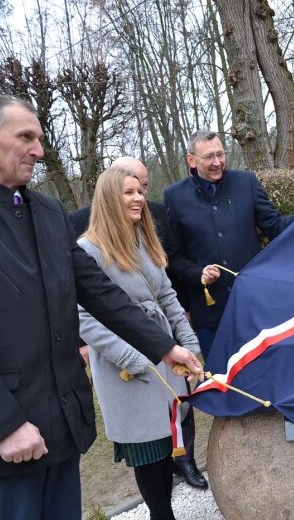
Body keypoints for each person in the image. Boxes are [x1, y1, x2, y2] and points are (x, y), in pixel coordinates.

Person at [0, 94, 202, 518]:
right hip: (4, 441)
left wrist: (166, 347)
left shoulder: (48, 213)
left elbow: (100, 294)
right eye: (26, 137)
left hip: (63, 424)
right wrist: (3, 423)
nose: (39, 150)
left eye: (41, 137)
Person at [70, 157, 207, 489]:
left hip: (164, 354)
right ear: (108, 199)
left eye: (139, 191)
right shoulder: (87, 250)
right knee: (147, 451)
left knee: (169, 439)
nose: (138, 198)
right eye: (127, 192)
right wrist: (133, 358)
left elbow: (167, 296)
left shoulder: (143, 241)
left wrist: (187, 344)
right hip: (127, 368)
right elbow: (84, 317)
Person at [163, 130, 294, 359]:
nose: (217, 163)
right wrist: (197, 274)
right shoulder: (174, 197)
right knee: (224, 382)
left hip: (254, 305)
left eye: (220, 154)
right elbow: (172, 258)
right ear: (191, 159)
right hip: (210, 316)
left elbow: (275, 227)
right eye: (209, 157)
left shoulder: (246, 183)